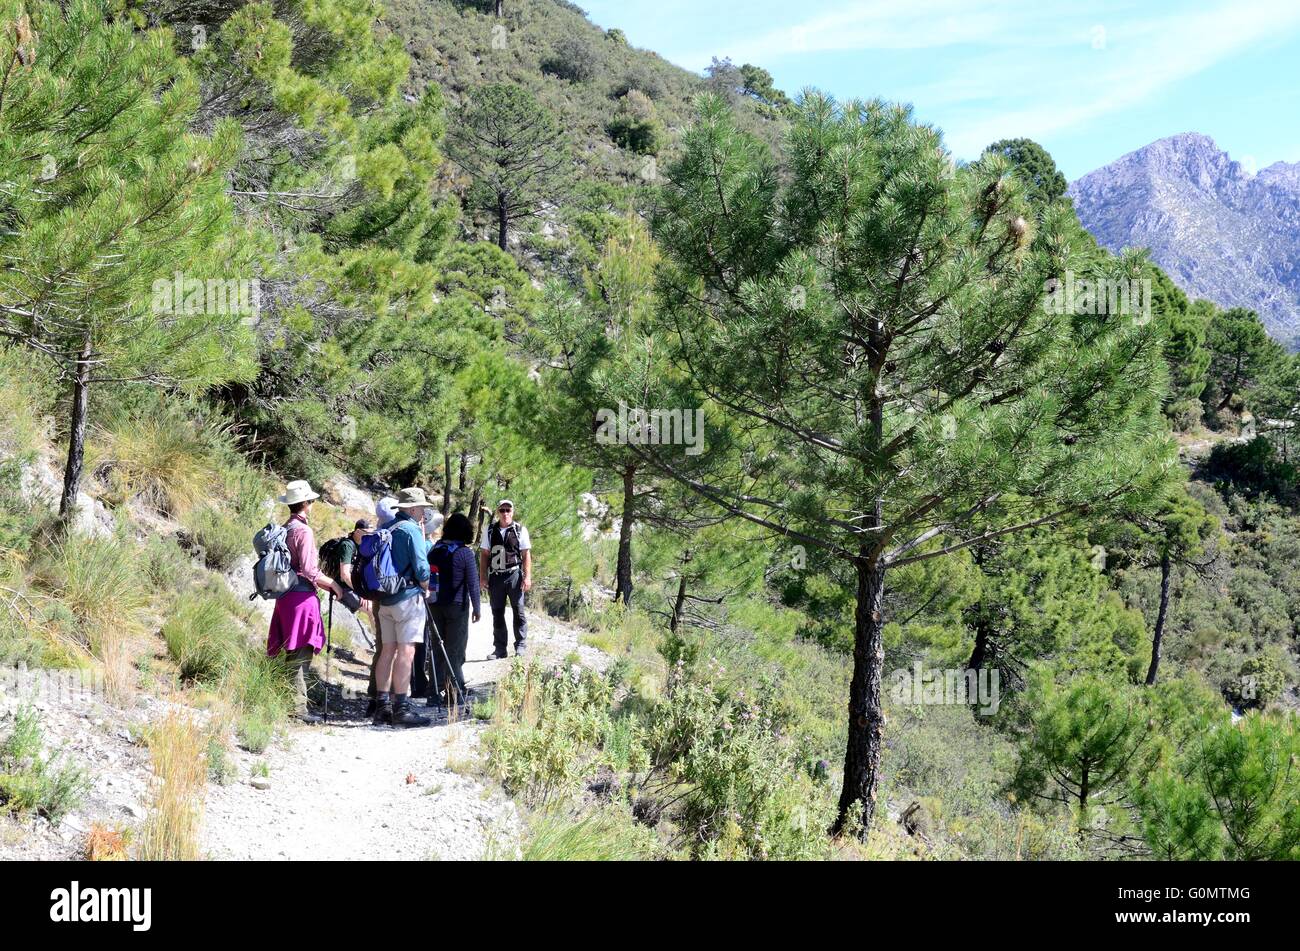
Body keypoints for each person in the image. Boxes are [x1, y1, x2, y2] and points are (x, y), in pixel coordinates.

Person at [267, 480, 344, 722]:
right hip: (301, 599)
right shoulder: (304, 531)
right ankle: (298, 710)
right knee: (301, 653)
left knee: (291, 652)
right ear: (307, 504)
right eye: (311, 501)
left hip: (284, 598)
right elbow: (310, 570)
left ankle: (288, 703)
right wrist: (332, 584)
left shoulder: (284, 529)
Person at [371, 487, 435, 727]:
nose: (424, 514)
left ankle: (381, 707)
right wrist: (426, 585)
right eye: (422, 509)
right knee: (406, 652)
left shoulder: (386, 527)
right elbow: (422, 569)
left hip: (385, 599)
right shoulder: (411, 531)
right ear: (412, 508)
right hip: (407, 597)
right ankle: (402, 709)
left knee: (387, 651)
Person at [427, 512, 481, 707]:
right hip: (457, 607)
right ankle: (454, 692)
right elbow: (473, 583)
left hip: (434, 606)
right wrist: (477, 607)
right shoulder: (465, 553)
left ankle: (433, 693)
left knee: (436, 648)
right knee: (454, 650)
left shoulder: (435, 550)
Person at [480, 499, 531, 659]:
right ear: (497, 512)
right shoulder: (489, 530)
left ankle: (520, 645)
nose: (505, 513)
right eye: (502, 510)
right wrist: (483, 577)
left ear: (512, 512)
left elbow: (526, 554)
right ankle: (500, 649)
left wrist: (527, 577)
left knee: (519, 611)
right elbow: (484, 555)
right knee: (497, 612)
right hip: (496, 576)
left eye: (508, 510)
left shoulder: (520, 530)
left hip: (514, 575)